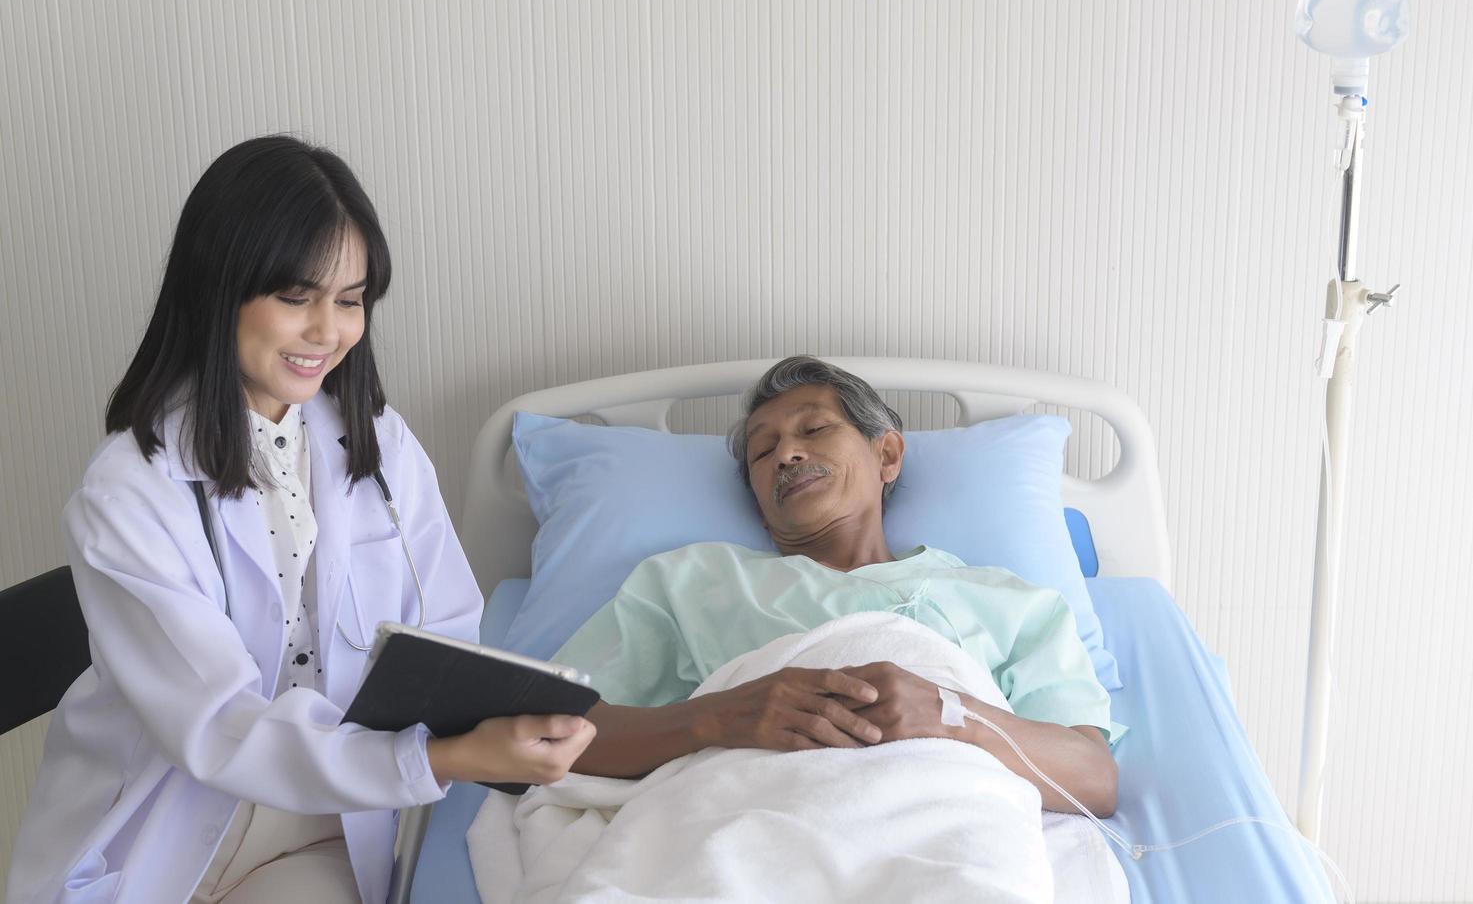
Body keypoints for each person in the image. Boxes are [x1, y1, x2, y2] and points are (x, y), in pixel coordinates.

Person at [7, 136, 595, 904]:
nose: (327, 330)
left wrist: (489, 730)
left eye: (350, 300)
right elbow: (216, 726)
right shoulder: (129, 490)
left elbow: (446, 625)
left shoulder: (378, 444)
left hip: (322, 824)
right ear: (220, 290)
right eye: (295, 296)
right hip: (161, 824)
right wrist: (441, 760)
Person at [553, 355, 1118, 817]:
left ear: (887, 454)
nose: (787, 454)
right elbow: (557, 732)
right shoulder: (690, 582)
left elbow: (1093, 779)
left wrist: (953, 716)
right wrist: (716, 717)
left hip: (945, 819)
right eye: (762, 451)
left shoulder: (1010, 602)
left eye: (814, 429)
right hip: (745, 816)